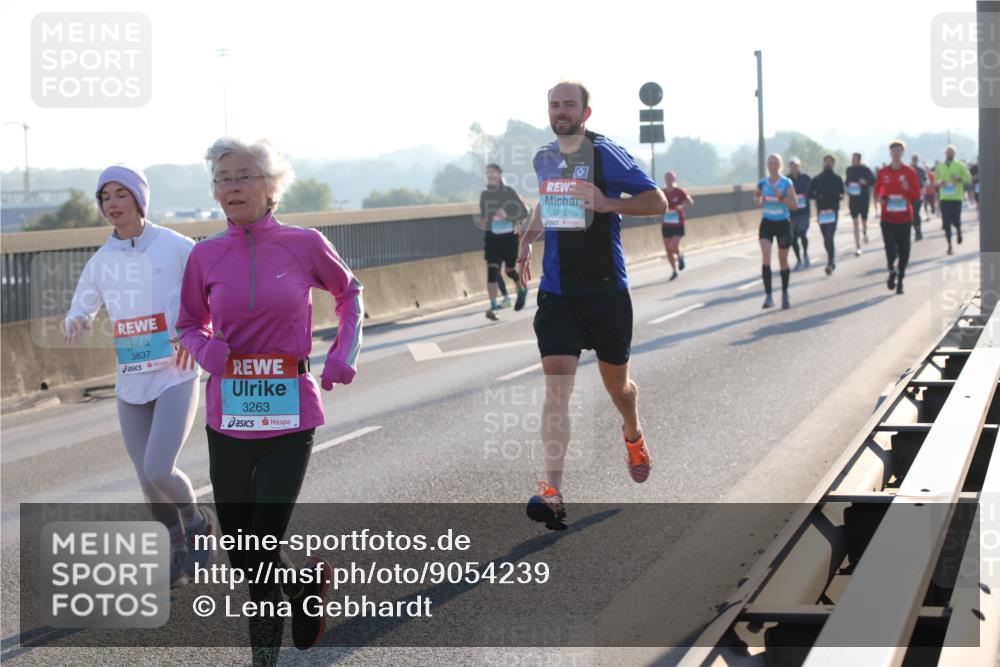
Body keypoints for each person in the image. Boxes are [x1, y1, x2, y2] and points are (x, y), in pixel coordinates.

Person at [177, 138, 364, 664]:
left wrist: (342, 353)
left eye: (242, 176)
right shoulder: (204, 254)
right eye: (221, 179)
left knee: (262, 542)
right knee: (243, 555)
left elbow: (351, 293)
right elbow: (189, 323)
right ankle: (303, 585)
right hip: (229, 417)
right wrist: (205, 350)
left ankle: (264, 659)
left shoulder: (304, 244)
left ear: (270, 184)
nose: (231, 187)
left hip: (290, 416)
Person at [516, 81, 665, 530]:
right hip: (558, 294)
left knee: (617, 388)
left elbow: (655, 200)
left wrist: (606, 202)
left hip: (605, 292)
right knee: (557, 389)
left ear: (586, 111)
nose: (561, 112)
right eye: (554, 105)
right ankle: (553, 491)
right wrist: (527, 238)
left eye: (569, 105)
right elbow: (548, 201)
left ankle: (633, 433)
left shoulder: (605, 155)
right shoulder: (544, 156)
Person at [64, 165, 214, 589]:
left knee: (159, 467)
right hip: (131, 377)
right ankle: (175, 545)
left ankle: (196, 521)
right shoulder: (102, 261)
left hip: (175, 371)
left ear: (139, 199)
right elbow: (83, 304)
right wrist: (76, 320)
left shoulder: (177, 246)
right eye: (104, 197)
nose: (111, 203)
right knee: (144, 478)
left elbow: (209, 293)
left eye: (119, 194)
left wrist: (198, 331)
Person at [479, 163, 530, 320]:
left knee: (509, 270)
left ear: (500, 174)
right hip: (492, 237)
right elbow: (484, 215)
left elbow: (525, 212)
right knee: (492, 271)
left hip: (508, 237)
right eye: (488, 173)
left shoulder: (509, 192)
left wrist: (507, 216)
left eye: (493, 173)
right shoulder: (485, 195)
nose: (490, 176)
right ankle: (494, 307)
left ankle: (521, 288)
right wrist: (485, 220)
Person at [875, 140, 921, 295]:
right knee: (890, 249)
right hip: (887, 217)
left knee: (904, 251)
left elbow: (916, 195)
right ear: (890, 153)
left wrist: (907, 189)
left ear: (903, 153)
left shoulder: (909, 172)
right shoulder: (883, 172)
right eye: (894, 151)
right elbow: (876, 191)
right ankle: (891, 270)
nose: (896, 153)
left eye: (899, 151)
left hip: (904, 218)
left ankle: (900, 279)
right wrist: (880, 198)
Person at [755, 153, 798, 309]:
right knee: (766, 255)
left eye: (775, 163)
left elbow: (795, 205)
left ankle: (785, 294)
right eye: (770, 163)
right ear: (767, 165)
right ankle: (768, 296)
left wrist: (781, 197)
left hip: (782, 223)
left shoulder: (786, 183)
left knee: (782, 260)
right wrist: (758, 198)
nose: (772, 166)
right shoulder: (762, 183)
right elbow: (757, 200)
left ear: (780, 166)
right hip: (767, 222)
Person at [808, 154, 845, 275]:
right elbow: (810, 194)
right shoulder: (817, 179)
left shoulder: (837, 179)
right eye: (826, 161)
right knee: (825, 238)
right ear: (823, 163)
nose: (828, 163)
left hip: (832, 211)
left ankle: (830, 262)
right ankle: (831, 258)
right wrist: (818, 196)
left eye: (830, 162)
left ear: (834, 164)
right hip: (822, 212)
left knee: (830, 235)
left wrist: (837, 197)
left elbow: (842, 194)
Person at [933, 145, 973, 256]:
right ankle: (950, 246)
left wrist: (959, 179)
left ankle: (959, 231)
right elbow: (935, 181)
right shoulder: (940, 166)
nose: (949, 154)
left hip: (956, 197)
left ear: (955, 154)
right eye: (948, 152)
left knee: (956, 220)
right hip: (944, 198)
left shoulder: (960, 166)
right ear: (945, 154)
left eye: (952, 152)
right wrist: (939, 183)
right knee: (946, 223)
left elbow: (968, 179)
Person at [661, 170, 694, 281]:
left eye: (670, 178)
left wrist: (681, 206)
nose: (668, 180)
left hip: (678, 223)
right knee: (668, 250)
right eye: (667, 178)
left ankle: (680, 255)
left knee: (672, 246)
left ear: (674, 179)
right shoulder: (662, 192)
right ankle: (674, 271)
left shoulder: (679, 191)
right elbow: (657, 203)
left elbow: (690, 201)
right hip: (666, 223)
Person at [845, 152, 876, 255]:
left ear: (859, 159)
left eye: (855, 159)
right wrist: (847, 187)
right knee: (855, 222)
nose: (853, 160)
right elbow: (846, 182)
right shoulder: (849, 170)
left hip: (863, 198)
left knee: (863, 219)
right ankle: (857, 244)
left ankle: (865, 231)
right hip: (853, 199)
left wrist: (865, 182)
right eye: (852, 158)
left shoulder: (865, 170)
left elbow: (873, 181)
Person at [786, 157, 812, 270]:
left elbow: (812, 191)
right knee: (793, 238)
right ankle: (798, 259)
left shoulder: (805, 178)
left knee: (802, 233)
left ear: (798, 166)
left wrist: (805, 196)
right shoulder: (786, 180)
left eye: (795, 165)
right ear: (789, 167)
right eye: (791, 165)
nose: (793, 167)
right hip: (791, 213)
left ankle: (805, 253)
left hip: (804, 212)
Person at [910, 154, 927, 241]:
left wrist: (922, 186)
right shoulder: (908, 169)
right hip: (909, 195)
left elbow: (924, 181)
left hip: (919, 194)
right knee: (911, 214)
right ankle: (915, 229)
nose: (915, 161)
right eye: (913, 159)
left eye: (916, 160)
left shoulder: (921, 170)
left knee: (916, 213)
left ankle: (918, 231)